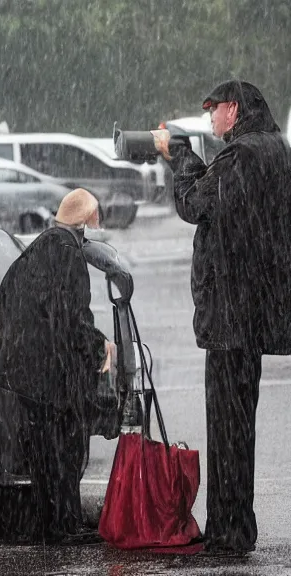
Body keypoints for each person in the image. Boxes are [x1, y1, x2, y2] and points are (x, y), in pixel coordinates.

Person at [154, 80, 291, 555]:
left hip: (231, 313)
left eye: (214, 110)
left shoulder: (242, 156)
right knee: (241, 427)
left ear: (233, 110)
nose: (211, 119)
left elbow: (194, 203)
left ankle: (230, 532)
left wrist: (179, 155)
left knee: (227, 428)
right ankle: (238, 524)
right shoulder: (278, 149)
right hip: (256, 311)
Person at [0, 188, 115, 544]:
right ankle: (62, 525)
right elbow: (71, 316)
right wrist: (97, 346)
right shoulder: (67, 253)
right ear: (86, 220)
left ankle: (51, 524)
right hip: (47, 371)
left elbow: (6, 297)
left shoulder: (40, 246)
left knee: (42, 450)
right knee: (63, 449)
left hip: (26, 370)